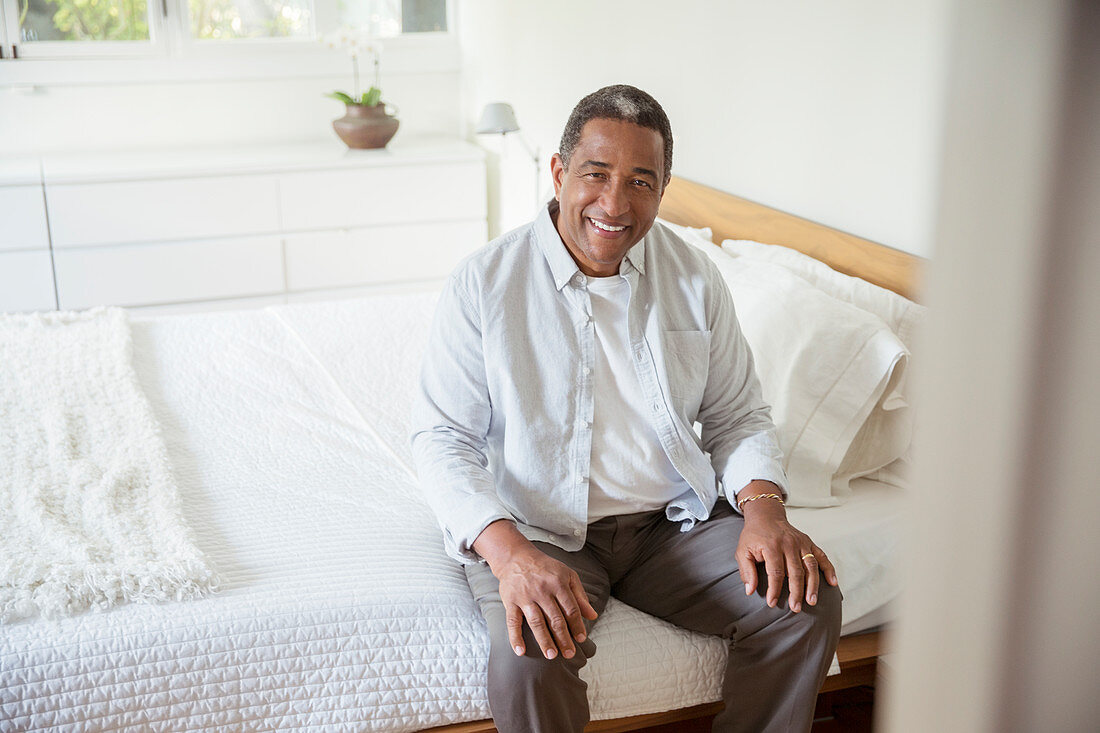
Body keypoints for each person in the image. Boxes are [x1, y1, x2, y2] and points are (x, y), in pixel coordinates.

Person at [411, 84, 841, 733]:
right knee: (530, 656)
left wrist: (765, 510)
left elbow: (737, 415)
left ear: (664, 189)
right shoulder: (484, 283)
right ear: (559, 173)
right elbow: (443, 440)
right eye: (597, 174)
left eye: (641, 181)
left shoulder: (696, 277)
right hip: (540, 526)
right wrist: (509, 556)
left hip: (670, 527)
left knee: (805, 601)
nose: (615, 203)